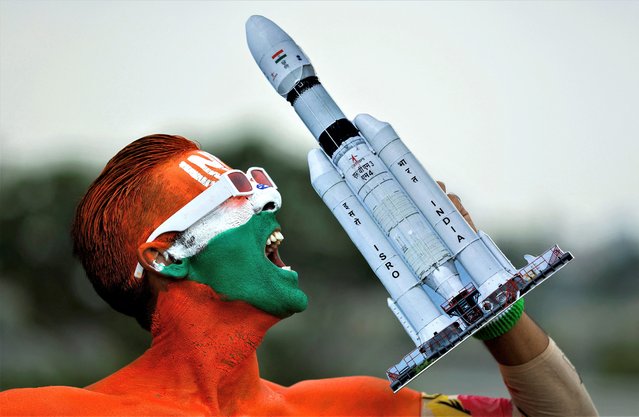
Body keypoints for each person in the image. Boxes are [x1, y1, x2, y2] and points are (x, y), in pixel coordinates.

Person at [0, 133, 597, 416]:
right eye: (233, 195)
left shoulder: (349, 409)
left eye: (260, 184)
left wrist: (493, 305)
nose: (267, 203)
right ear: (165, 254)